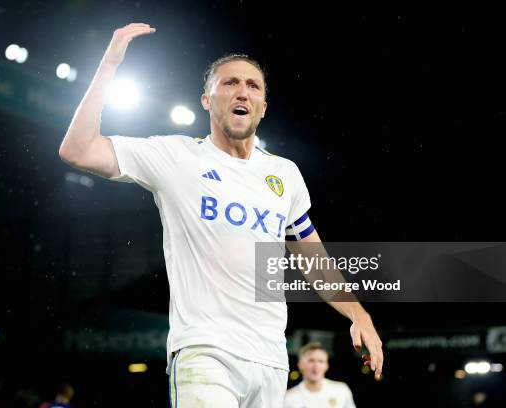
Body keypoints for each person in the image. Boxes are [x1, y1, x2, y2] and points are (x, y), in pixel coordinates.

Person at [58, 23, 383, 407]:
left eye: (253, 85)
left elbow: (312, 256)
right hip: (204, 352)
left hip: (270, 361)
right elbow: (77, 151)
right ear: (207, 100)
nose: (242, 90)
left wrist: (358, 313)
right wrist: (109, 65)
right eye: (229, 83)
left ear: (263, 106)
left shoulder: (285, 175)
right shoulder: (176, 157)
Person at [284, 342, 356, 408]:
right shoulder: (289, 398)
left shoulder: (342, 390)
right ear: (300, 365)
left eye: (320, 361)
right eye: (311, 360)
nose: (316, 365)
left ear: (326, 366)